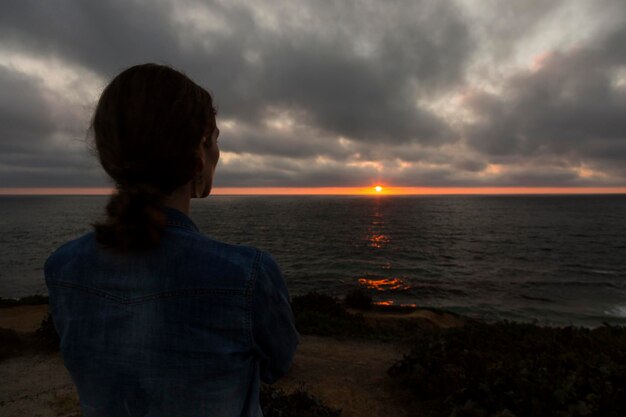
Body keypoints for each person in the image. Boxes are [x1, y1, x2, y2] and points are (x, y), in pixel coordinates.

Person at [44, 63, 299, 417]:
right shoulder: (247, 276)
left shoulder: (62, 267)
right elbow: (278, 364)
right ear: (199, 153)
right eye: (216, 138)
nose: (218, 152)